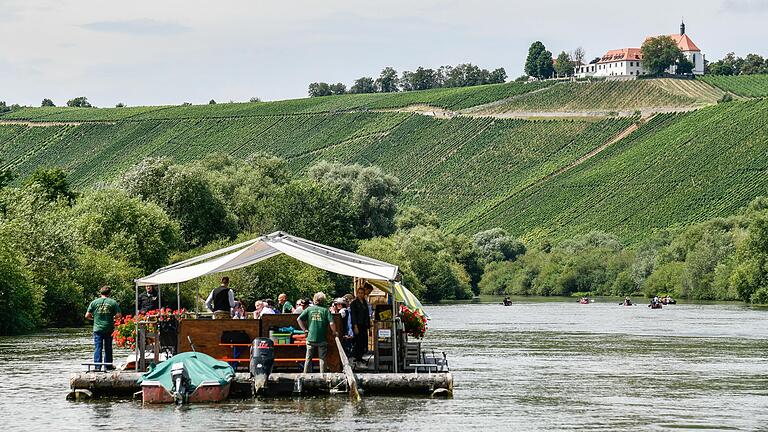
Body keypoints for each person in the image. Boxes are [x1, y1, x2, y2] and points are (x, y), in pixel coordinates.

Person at [297, 292, 337, 373]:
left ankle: (305, 376)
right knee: (322, 358)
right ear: (323, 300)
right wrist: (334, 332)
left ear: (314, 299)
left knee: (308, 358)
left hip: (310, 338)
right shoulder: (326, 310)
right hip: (322, 339)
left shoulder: (309, 309)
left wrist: (304, 330)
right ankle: (323, 377)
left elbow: (298, 319)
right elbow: (332, 323)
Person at [85, 286, 122, 371]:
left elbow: (87, 315)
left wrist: (94, 318)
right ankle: (108, 366)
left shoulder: (94, 302)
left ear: (100, 293)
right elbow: (119, 315)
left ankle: (97, 367)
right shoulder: (113, 302)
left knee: (98, 347)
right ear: (109, 293)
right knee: (108, 347)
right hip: (108, 328)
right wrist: (112, 317)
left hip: (97, 329)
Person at [350, 285, 370, 365]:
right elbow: (353, 316)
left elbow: (366, 314)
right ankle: (357, 357)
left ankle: (361, 357)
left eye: (362, 293)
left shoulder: (365, 302)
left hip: (364, 325)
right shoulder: (354, 303)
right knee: (358, 341)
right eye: (359, 293)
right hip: (357, 324)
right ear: (357, 294)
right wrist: (355, 326)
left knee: (363, 341)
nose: (360, 294)